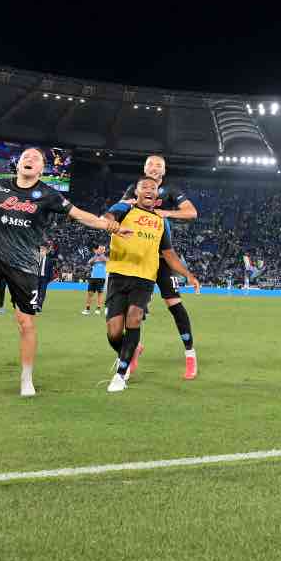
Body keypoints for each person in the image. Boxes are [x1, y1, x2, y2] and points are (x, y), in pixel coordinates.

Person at [0, 147, 121, 397]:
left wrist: (109, 225)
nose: (29, 160)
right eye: (25, 157)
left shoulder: (49, 194)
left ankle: (26, 378)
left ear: (42, 169)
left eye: (36, 159)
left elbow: (79, 215)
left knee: (26, 324)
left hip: (24, 265)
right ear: (18, 164)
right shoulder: (1, 187)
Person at [102, 176, 202, 391]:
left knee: (134, 318)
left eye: (153, 188)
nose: (149, 190)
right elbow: (108, 216)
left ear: (157, 195)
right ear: (135, 192)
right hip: (118, 275)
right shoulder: (124, 208)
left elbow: (170, 255)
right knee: (114, 331)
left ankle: (120, 374)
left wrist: (189, 275)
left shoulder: (161, 221)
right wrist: (111, 223)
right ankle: (129, 352)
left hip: (144, 277)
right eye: (144, 187)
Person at [119, 155, 200, 369]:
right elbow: (120, 209)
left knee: (175, 305)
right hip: (139, 258)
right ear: (144, 169)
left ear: (163, 172)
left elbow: (192, 212)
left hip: (163, 258)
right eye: (151, 164)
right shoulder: (134, 189)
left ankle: (190, 354)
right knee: (133, 311)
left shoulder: (170, 190)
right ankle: (132, 351)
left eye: (159, 166)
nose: (154, 168)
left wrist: (164, 212)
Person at [83, 245, 109, 315]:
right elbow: (89, 262)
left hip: (101, 278)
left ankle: (98, 309)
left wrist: (101, 256)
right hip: (93, 277)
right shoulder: (94, 258)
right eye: (98, 249)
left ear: (103, 250)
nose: (99, 250)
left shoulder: (104, 258)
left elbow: (107, 261)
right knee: (90, 293)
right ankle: (87, 309)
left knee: (100, 294)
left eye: (101, 249)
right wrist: (96, 257)